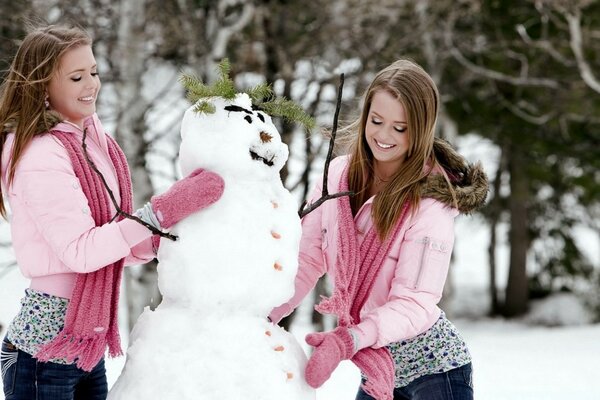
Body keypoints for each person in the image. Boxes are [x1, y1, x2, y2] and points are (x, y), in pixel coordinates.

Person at [0, 25, 224, 400]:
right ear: (42, 87)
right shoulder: (41, 153)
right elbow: (83, 251)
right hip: (43, 354)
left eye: (94, 72)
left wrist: (168, 237)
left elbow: (115, 236)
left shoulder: (93, 141)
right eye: (76, 77)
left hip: (84, 343)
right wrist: (160, 214)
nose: (91, 84)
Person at [269, 59, 488, 400]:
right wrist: (263, 313)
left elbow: (414, 303)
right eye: (377, 121)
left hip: (435, 373)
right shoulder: (337, 177)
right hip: (379, 366)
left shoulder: (430, 200)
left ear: (421, 129)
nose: (384, 136)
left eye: (400, 128)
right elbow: (307, 256)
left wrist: (349, 339)